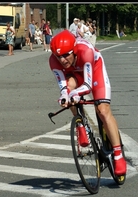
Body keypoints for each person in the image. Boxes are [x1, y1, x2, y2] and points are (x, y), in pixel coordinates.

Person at [49, 30, 127, 176]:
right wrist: (65, 96)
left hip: (94, 69)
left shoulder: (85, 51)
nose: (62, 60)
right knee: (69, 92)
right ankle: (80, 125)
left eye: (66, 55)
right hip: (74, 74)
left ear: (74, 50)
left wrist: (76, 93)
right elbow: (63, 86)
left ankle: (118, 155)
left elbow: (88, 85)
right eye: (59, 56)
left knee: (103, 110)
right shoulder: (54, 61)